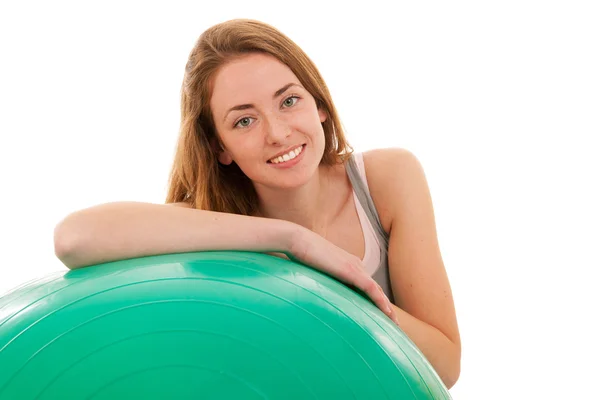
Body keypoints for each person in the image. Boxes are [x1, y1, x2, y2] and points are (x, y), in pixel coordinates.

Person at [53, 19, 461, 388]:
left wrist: (336, 284)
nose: (279, 133)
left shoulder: (387, 178)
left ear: (319, 104)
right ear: (220, 147)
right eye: (244, 121)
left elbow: (445, 365)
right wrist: (293, 242)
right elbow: (75, 238)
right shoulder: (218, 224)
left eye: (288, 101)